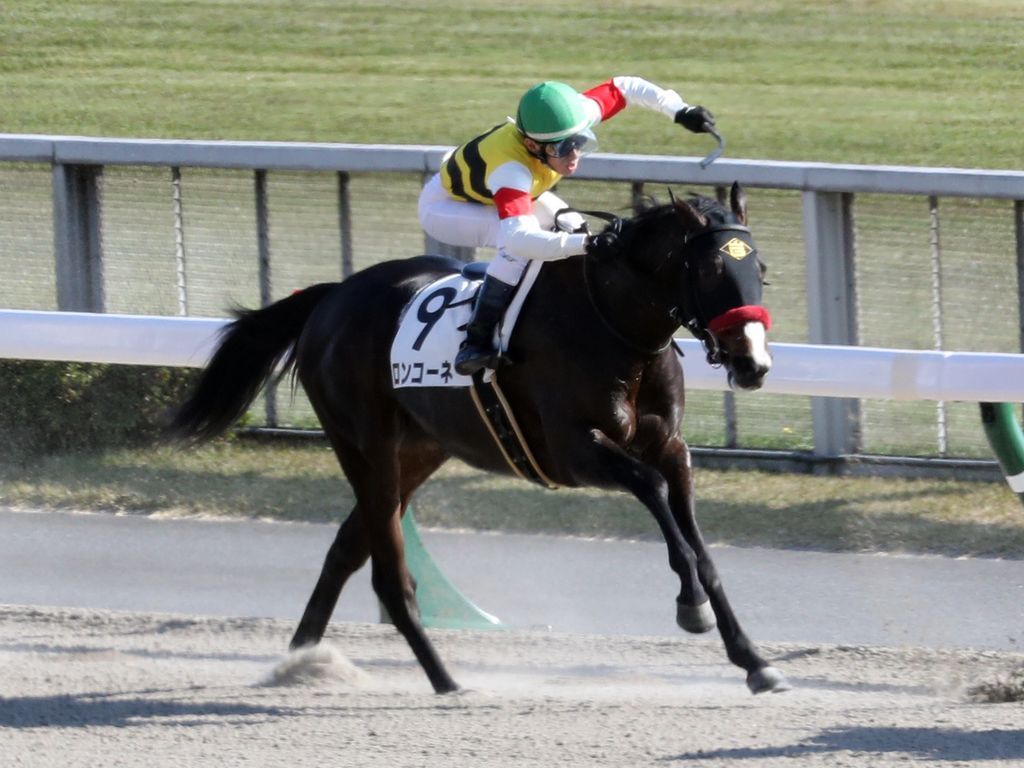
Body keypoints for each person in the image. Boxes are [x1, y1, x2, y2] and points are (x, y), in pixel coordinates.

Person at [418, 76, 716, 376]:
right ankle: (476, 340)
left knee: (573, 225)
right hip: (446, 208)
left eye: (580, 142)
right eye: (564, 148)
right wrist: (586, 245)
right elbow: (519, 238)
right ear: (532, 145)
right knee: (517, 250)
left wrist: (679, 110)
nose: (574, 156)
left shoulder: (570, 119)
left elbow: (625, 86)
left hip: (493, 191)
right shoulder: (511, 171)